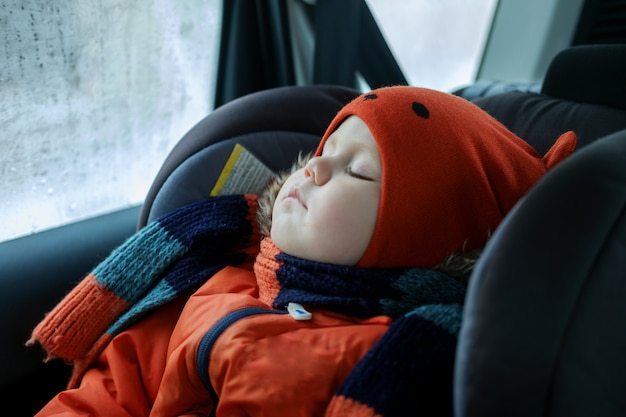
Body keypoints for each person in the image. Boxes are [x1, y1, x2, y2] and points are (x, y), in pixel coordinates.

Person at [28, 86, 577, 416]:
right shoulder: (216, 274)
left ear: (425, 236)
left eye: (357, 171)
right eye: (324, 150)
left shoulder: (407, 356)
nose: (313, 167)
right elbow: (114, 391)